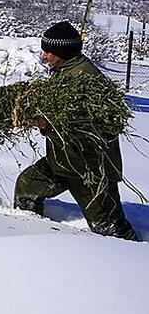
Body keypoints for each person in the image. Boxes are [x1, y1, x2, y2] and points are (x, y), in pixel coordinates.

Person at [13, 21, 139, 241]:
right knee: (27, 185)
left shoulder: (87, 80)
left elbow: (106, 126)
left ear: (63, 51)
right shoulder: (64, 72)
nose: (44, 56)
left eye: (48, 51)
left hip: (90, 169)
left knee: (111, 228)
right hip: (62, 161)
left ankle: (133, 260)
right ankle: (28, 239)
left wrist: (48, 126)